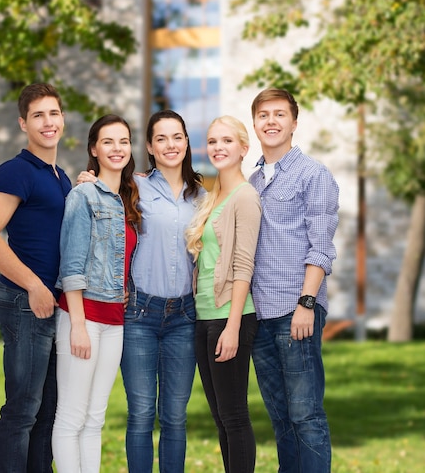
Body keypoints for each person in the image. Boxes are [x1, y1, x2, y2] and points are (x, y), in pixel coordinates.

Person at [0, 83, 71, 473]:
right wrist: (33, 285)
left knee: (47, 412)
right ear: (23, 124)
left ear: (63, 118)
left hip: (51, 303)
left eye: (54, 113)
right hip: (23, 302)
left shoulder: (59, 176)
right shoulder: (15, 171)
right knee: (22, 412)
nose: (48, 122)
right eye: (38, 116)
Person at [248, 88, 339, 473]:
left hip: (295, 310)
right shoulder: (251, 181)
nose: (271, 121)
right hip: (260, 315)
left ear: (294, 123)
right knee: (281, 418)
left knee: (306, 416)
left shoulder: (313, 174)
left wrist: (306, 304)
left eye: (279, 114)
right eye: (264, 115)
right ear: (255, 124)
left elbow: (321, 246)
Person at [52, 114, 141, 473]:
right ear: (94, 149)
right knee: (71, 415)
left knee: (95, 418)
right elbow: (71, 265)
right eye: (108, 141)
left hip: (114, 321)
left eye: (123, 141)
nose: (117, 148)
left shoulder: (127, 201)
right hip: (83, 317)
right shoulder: (83, 195)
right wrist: (76, 324)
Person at [121, 110, 204, 473]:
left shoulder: (202, 195)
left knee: (175, 416)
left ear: (186, 142)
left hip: (185, 317)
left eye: (177, 137)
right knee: (140, 414)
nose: (171, 145)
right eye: (161, 139)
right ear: (150, 148)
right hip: (139, 314)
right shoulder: (134, 187)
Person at [185, 116, 262, 473]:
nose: (218, 147)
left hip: (230, 317)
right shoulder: (214, 195)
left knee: (234, 415)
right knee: (220, 416)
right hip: (204, 318)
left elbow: (244, 265)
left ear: (243, 149)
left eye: (227, 141)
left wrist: (232, 327)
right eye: (213, 141)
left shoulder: (245, 197)